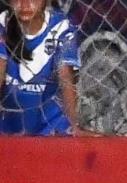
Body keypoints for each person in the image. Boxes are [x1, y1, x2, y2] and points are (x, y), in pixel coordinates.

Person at [0, 0, 83, 135]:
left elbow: (66, 78)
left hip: (51, 129)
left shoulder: (61, 26)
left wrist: (75, 126)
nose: (25, 4)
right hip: (8, 128)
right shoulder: (2, 24)